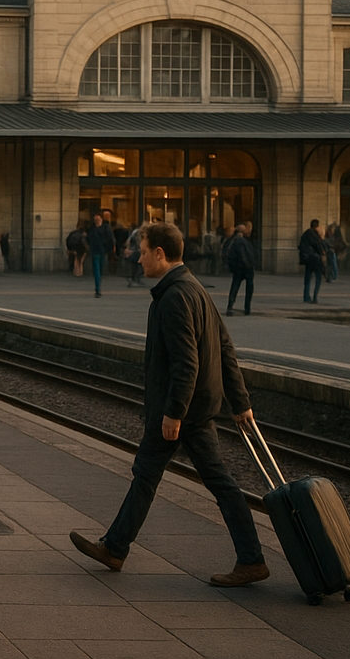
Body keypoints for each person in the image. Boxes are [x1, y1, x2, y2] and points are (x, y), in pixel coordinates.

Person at [69, 221, 268, 589]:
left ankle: (251, 559)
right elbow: (225, 347)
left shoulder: (175, 296)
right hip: (198, 406)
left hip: (182, 411)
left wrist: (174, 412)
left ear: (160, 254)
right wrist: (240, 402)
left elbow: (186, 362)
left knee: (172, 478)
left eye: (142, 251)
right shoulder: (194, 288)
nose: (137, 257)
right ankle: (115, 547)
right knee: (160, 476)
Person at [224, 221, 257, 317]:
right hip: (246, 268)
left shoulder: (233, 240)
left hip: (238, 268)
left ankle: (230, 306)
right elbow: (245, 255)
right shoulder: (243, 241)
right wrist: (249, 265)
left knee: (234, 287)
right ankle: (247, 308)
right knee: (249, 288)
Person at [299, 219, 328, 304]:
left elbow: (301, 246)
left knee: (307, 278)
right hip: (316, 259)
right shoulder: (315, 235)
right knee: (318, 279)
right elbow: (321, 247)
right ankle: (315, 297)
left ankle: (306, 296)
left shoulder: (305, 234)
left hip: (308, 259)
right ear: (317, 226)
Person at [86, 213, 114, 298]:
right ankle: (97, 289)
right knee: (97, 269)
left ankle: (98, 287)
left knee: (100, 268)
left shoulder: (105, 228)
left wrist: (110, 249)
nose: (97, 222)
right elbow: (89, 238)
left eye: (98, 220)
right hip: (96, 251)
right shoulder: (92, 229)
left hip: (102, 251)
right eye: (95, 220)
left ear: (101, 220)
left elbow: (110, 239)